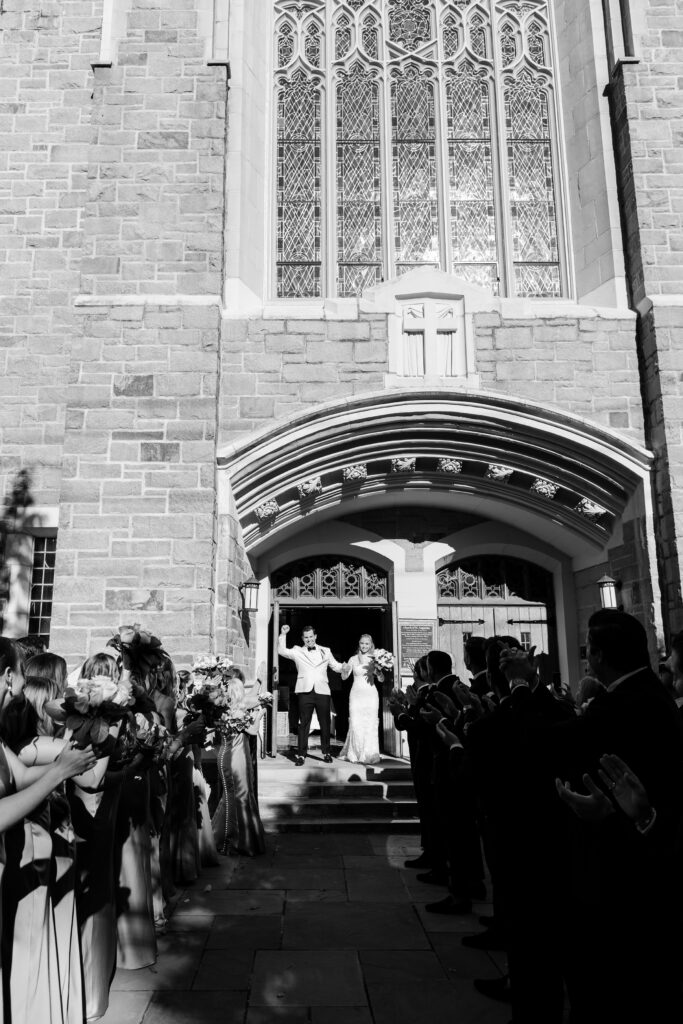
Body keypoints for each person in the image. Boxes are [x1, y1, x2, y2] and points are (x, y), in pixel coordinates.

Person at [211, 677, 266, 856]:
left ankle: (222, 837)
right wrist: (260, 715)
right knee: (241, 796)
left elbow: (251, 697)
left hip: (225, 755)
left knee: (230, 797)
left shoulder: (223, 711)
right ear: (239, 691)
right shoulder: (239, 713)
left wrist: (259, 681)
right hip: (237, 757)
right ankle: (234, 841)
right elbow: (252, 730)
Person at [278, 624, 345, 766]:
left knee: (325, 723)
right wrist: (283, 634)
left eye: (311, 637)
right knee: (303, 723)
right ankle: (301, 755)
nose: (309, 640)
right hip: (305, 691)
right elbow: (281, 650)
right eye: (306, 637)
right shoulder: (297, 651)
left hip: (322, 690)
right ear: (303, 638)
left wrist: (345, 667)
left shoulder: (326, 651)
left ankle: (326, 752)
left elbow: (335, 666)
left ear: (315, 636)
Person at [339, 634, 383, 765]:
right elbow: (344, 678)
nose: (364, 646)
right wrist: (344, 670)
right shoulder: (353, 659)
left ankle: (369, 753)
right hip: (356, 694)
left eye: (367, 644)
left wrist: (379, 672)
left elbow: (381, 679)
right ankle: (355, 753)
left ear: (371, 645)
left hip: (370, 694)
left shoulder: (375, 659)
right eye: (362, 643)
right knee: (355, 722)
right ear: (359, 644)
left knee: (370, 723)